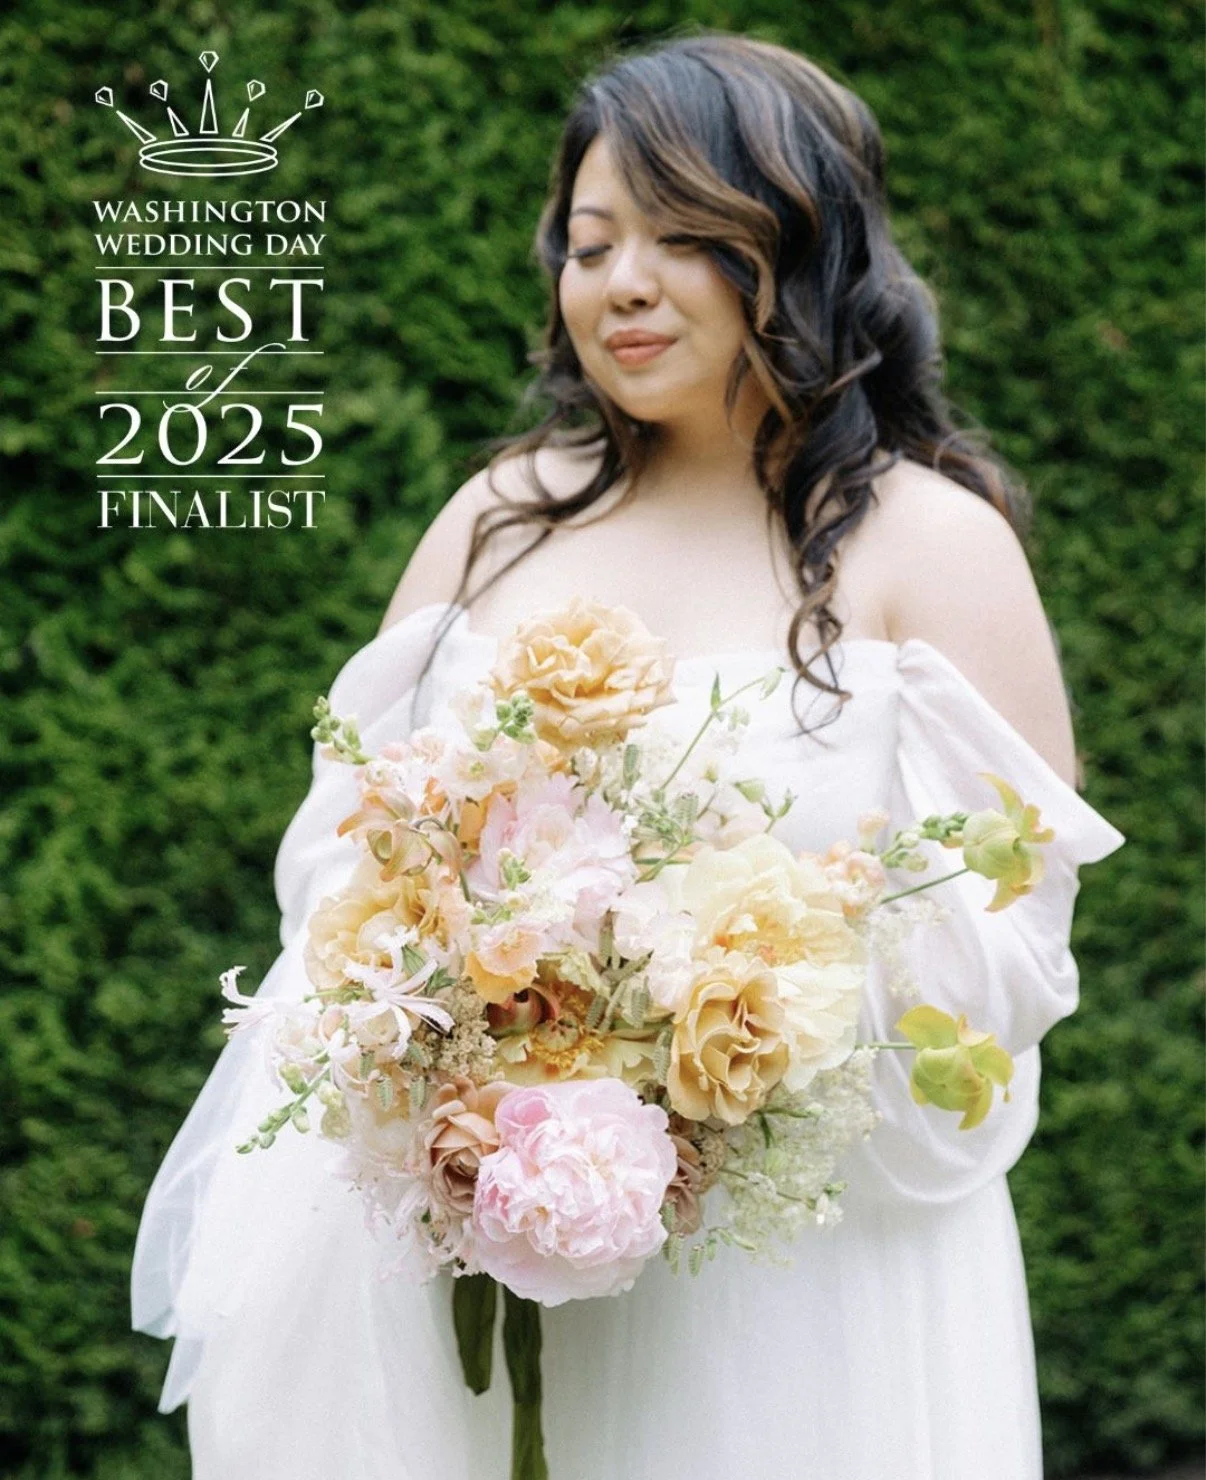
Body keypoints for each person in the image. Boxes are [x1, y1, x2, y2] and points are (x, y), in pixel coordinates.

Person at [131, 32, 1126, 1479]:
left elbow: (1012, 930)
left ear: (796, 247)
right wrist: (485, 1037)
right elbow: (349, 853)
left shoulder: (929, 542)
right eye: (590, 244)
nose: (621, 284)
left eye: (678, 236)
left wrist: (708, 1035)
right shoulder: (498, 519)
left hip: (811, 1271)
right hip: (504, 1231)